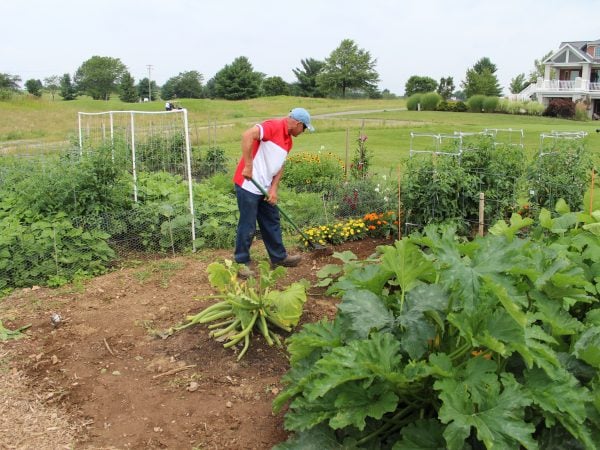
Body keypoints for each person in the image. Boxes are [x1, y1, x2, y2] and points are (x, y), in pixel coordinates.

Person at [233, 108, 315, 278]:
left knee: (272, 220)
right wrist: (248, 166)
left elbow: (280, 165)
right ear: (298, 124)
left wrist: (274, 188)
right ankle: (241, 262)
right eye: (305, 128)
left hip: (264, 187)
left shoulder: (288, 141)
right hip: (248, 184)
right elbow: (247, 135)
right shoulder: (273, 126)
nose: (304, 131)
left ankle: (279, 257)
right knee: (248, 225)